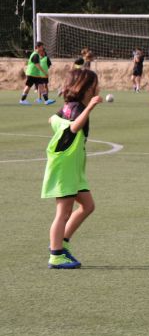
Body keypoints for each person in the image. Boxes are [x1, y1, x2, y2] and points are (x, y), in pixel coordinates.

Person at [41, 68, 101, 269]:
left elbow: (52, 119)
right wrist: (90, 108)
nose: (97, 88)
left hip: (73, 165)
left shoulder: (70, 106)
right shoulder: (77, 109)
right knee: (63, 211)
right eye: (94, 86)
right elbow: (74, 127)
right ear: (86, 88)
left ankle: (62, 242)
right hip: (65, 166)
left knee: (88, 205)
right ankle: (56, 255)